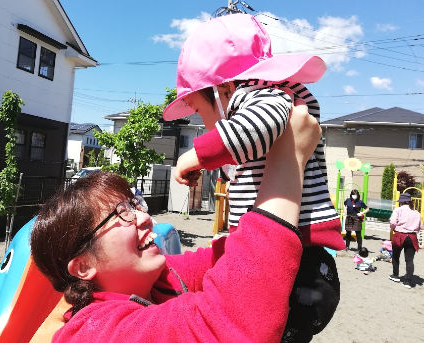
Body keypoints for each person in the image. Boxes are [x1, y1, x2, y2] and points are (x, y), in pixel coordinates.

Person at [30, 108, 333, 342]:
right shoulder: (95, 332)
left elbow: (237, 258)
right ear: (83, 267)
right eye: (121, 213)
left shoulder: (163, 277)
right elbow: (229, 329)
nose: (144, 217)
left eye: (135, 204)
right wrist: (288, 161)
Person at [162, 13, 343, 342]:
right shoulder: (265, 95)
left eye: (201, 111)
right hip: (302, 264)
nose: (206, 125)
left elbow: (261, 125)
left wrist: (196, 155)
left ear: (224, 89)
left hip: (300, 267)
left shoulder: (262, 95)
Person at [389, 193, 422, 288]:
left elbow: (392, 222)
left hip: (400, 234)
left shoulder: (398, 210)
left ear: (402, 202)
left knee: (395, 256)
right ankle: (408, 281)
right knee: (409, 260)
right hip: (412, 236)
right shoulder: (417, 213)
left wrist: (393, 228)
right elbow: (420, 227)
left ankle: (395, 275)